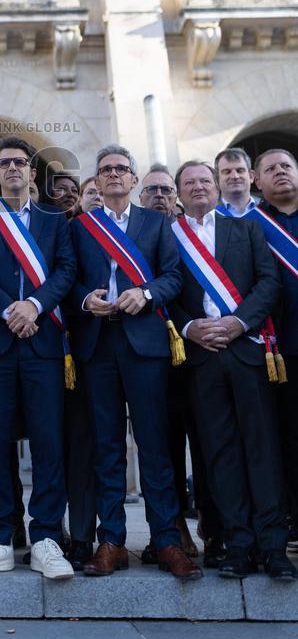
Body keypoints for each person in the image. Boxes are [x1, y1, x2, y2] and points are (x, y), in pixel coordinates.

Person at [71, 145, 200, 581]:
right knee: (107, 447)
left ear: (133, 178)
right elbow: (67, 279)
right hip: (97, 346)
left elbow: (172, 277)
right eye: (105, 169)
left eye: (121, 169)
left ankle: (165, 539)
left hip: (145, 344)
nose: (113, 175)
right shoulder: (80, 226)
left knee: (155, 445)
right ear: (98, 179)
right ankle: (112, 540)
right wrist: (86, 299)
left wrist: (144, 294)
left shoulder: (154, 223)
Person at [0, 136, 75, 581]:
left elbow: (65, 269)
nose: (12, 169)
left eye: (20, 163)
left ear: (32, 173)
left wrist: (35, 307)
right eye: (4, 163)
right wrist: (11, 309)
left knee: (48, 441)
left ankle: (45, 536)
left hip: (43, 341)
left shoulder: (53, 218)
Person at [170, 160, 293, 580]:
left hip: (247, 350)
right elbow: (167, 291)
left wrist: (239, 322)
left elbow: (268, 283)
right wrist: (190, 327)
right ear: (179, 192)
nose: (200, 187)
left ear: (217, 188)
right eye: (190, 183)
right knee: (219, 454)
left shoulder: (247, 228)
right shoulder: (170, 237)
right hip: (201, 356)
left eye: (206, 180)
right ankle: (238, 545)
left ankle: (274, 547)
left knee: (262, 449)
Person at [138, 165, 203, 563]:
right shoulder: (136, 232)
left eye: (165, 190)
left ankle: (211, 522)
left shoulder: (191, 232)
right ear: (139, 197)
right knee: (163, 442)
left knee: (204, 438)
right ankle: (171, 525)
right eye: (152, 190)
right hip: (151, 352)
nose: (159, 196)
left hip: (196, 352)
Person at [253, 149, 298, 549]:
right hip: (283, 351)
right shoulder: (252, 224)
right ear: (256, 180)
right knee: (289, 436)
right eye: (271, 169)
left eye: (286, 166)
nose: (280, 173)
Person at [215, 148, 256, 217]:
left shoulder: (268, 210)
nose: (235, 176)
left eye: (240, 170)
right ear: (217, 179)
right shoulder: (207, 214)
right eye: (227, 172)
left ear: (251, 176)